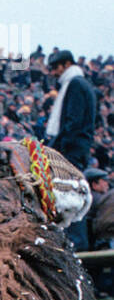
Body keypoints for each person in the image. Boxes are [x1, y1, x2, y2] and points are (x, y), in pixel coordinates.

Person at [46, 49, 98, 248]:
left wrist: (57, 150)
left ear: (67, 64)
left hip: (71, 151)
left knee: (69, 194)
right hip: (77, 148)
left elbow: (73, 123)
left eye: (55, 68)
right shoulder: (81, 84)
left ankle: (75, 243)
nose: (53, 73)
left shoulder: (75, 84)